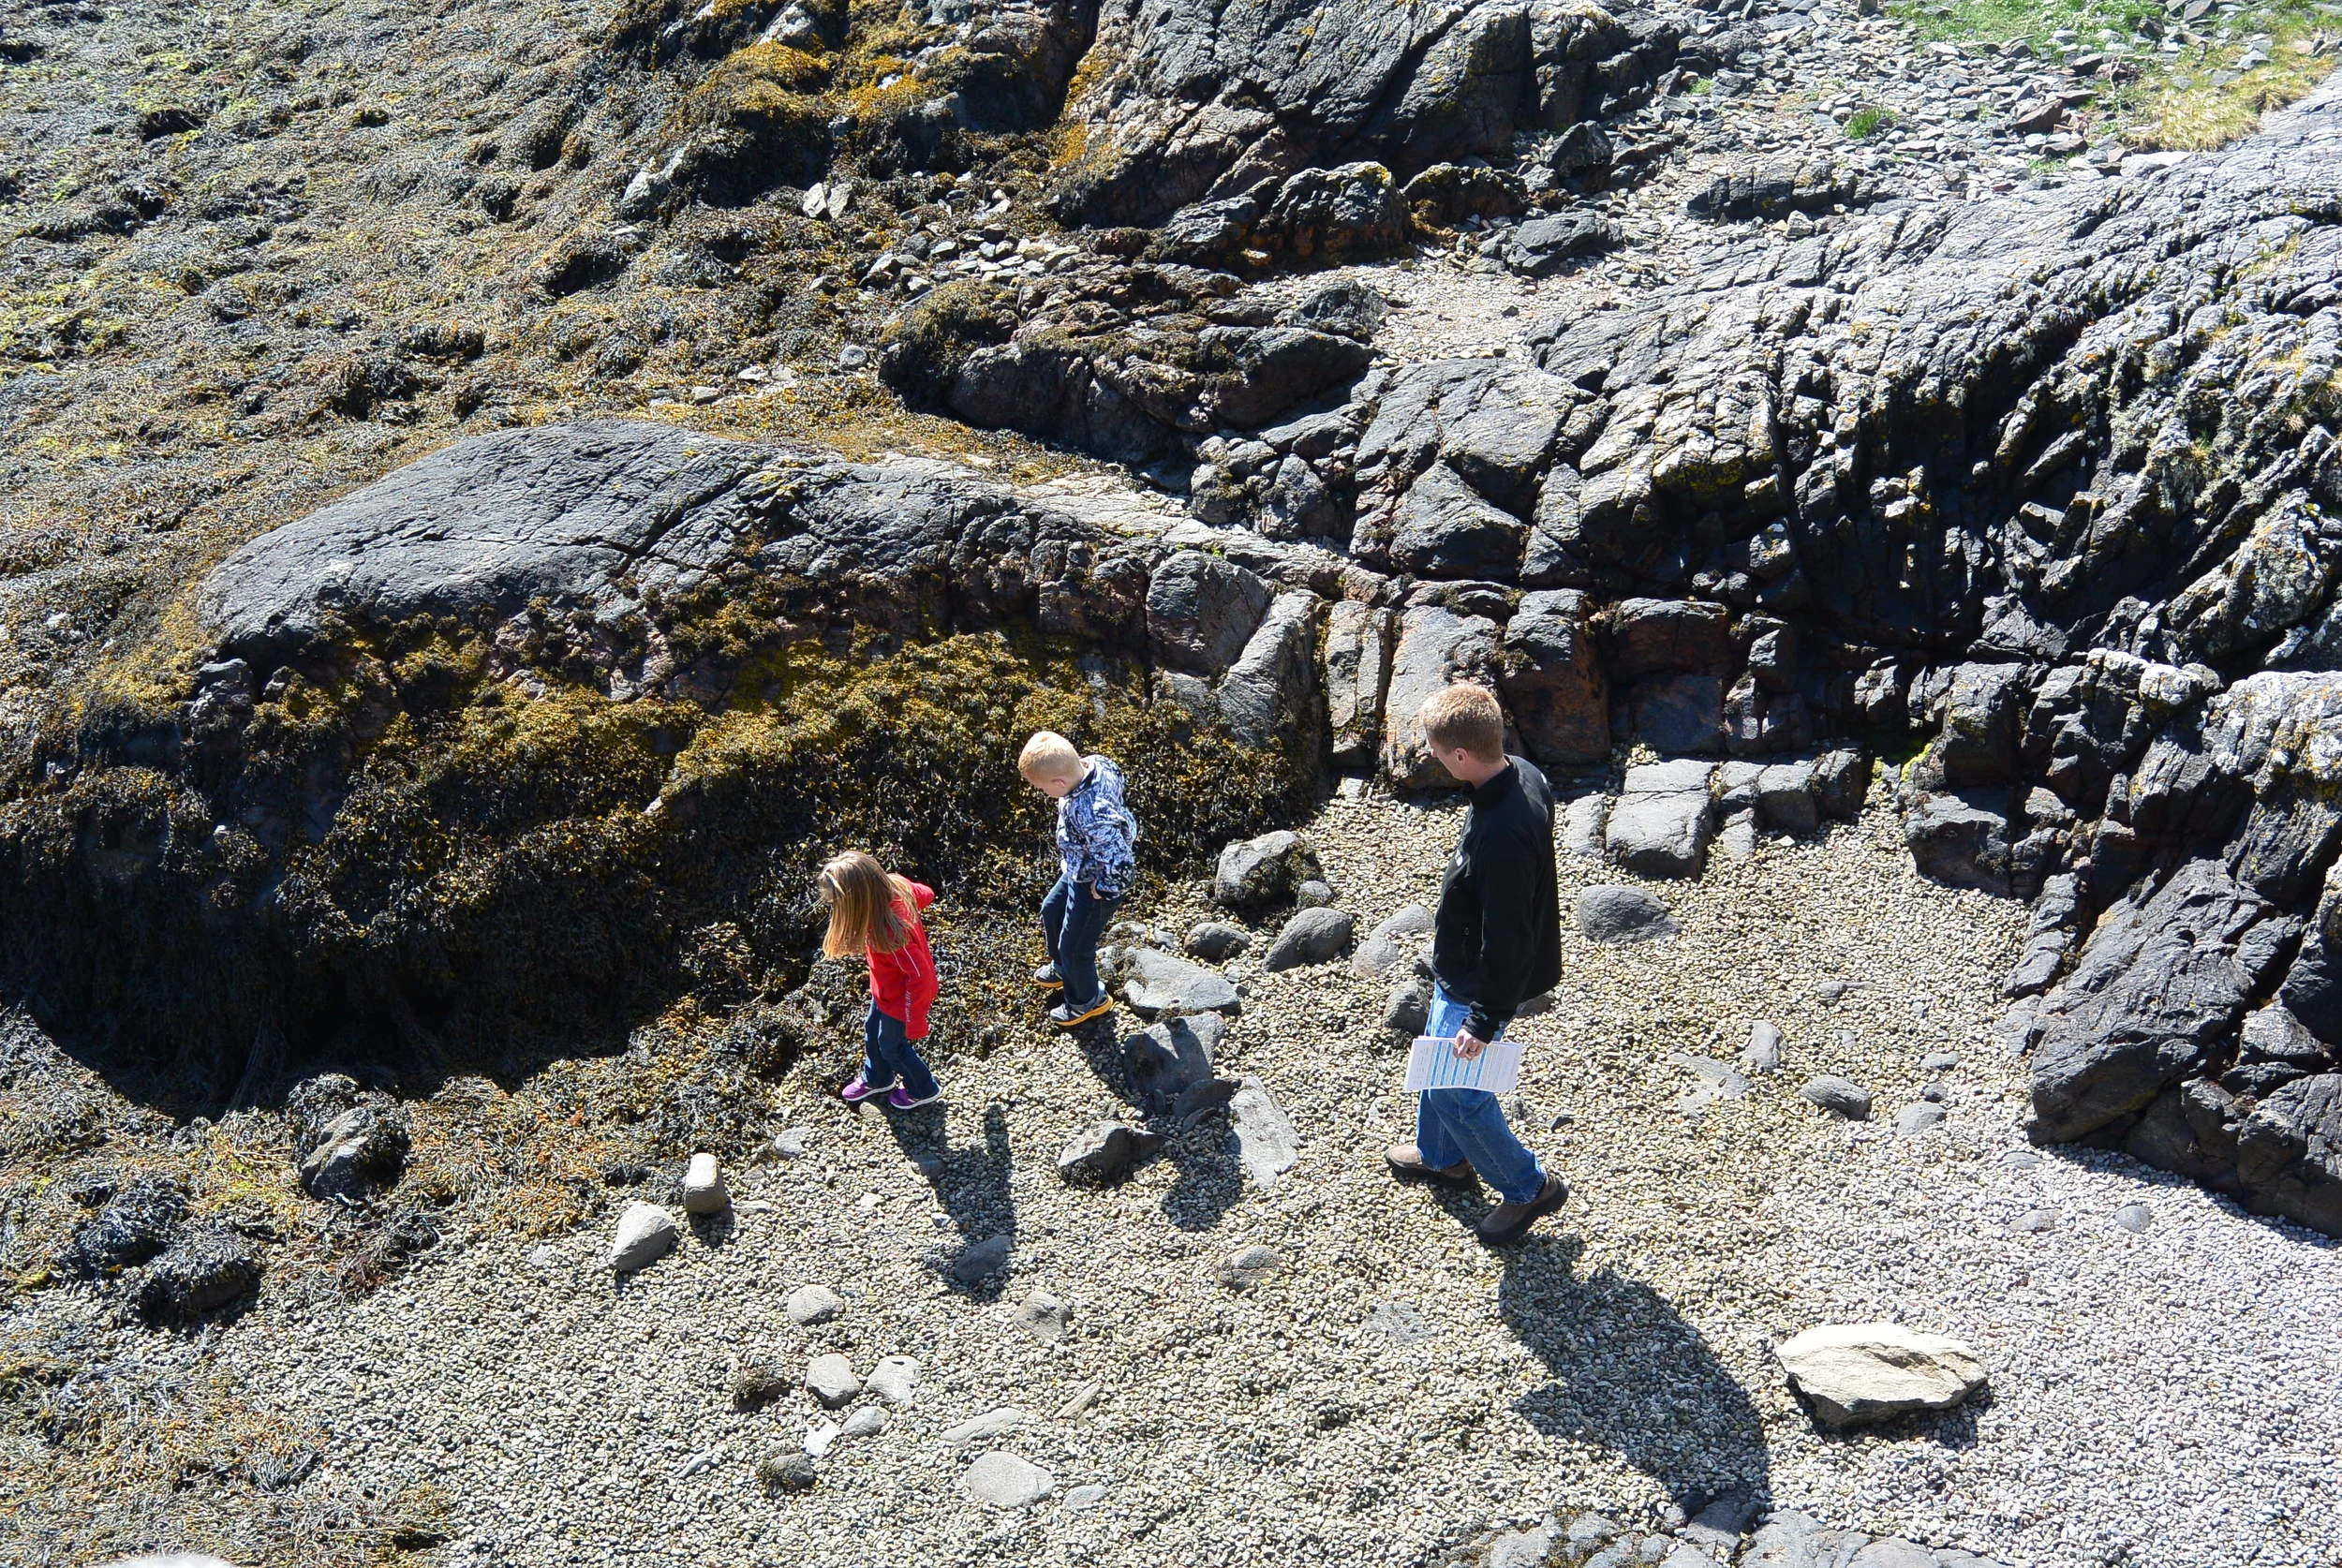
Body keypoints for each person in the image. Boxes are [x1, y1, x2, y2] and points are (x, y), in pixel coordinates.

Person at [1385, 683, 1570, 1246]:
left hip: (1480, 983)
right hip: (1461, 968)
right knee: (1435, 1064)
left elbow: (1509, 936)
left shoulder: (1503, 833)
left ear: (1462, 756)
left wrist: (1484, 1020)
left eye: (1437, 750)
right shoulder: (1521, 772)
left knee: (1455, 1089)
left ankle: (1528, 1187)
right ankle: (1443, 1157)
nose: (1432, 757)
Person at [1017, 729, 1138, 1029]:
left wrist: (1106, 886)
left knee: (1077, 947)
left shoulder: (1090, 811)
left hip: (1095, 885)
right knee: (1051, 910)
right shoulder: (1095, 764)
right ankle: (1063, 968)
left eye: (1042, 788)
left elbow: (1121, 860)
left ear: (1059, 782)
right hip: (1077, 867)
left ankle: (1087, 1001)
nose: (1042, 793)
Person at [817, 850, 944, 1110]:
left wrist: (915, 1019)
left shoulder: (890, 935)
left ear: (859, 902)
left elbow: (921, 977)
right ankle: (878, 1078)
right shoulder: (897, 885)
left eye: (837, 904)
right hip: (884, 991)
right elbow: (926, 893)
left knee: (892, 1046)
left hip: (901, 1000)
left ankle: (923, 1089)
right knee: (872, 1032)